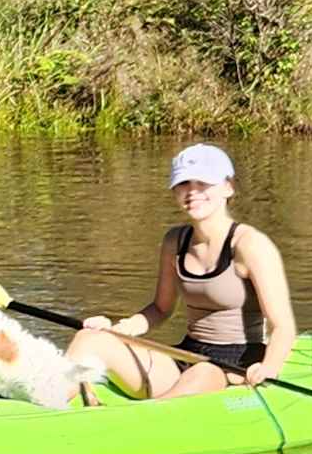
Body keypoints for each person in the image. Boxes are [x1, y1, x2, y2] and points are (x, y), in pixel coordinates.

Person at [62, 145, 296, 401]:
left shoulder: (251, 244)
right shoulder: (174, 241)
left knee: (205, 372)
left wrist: (269, 368)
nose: (192, 191)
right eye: (183, 183)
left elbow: (282, 326)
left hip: (236, 365)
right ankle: (48, 404)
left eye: (203, 182)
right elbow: (161, 309)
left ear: (228, 187)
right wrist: (121, 329)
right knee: (89, 339)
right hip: (187, 354)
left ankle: (141, 422)